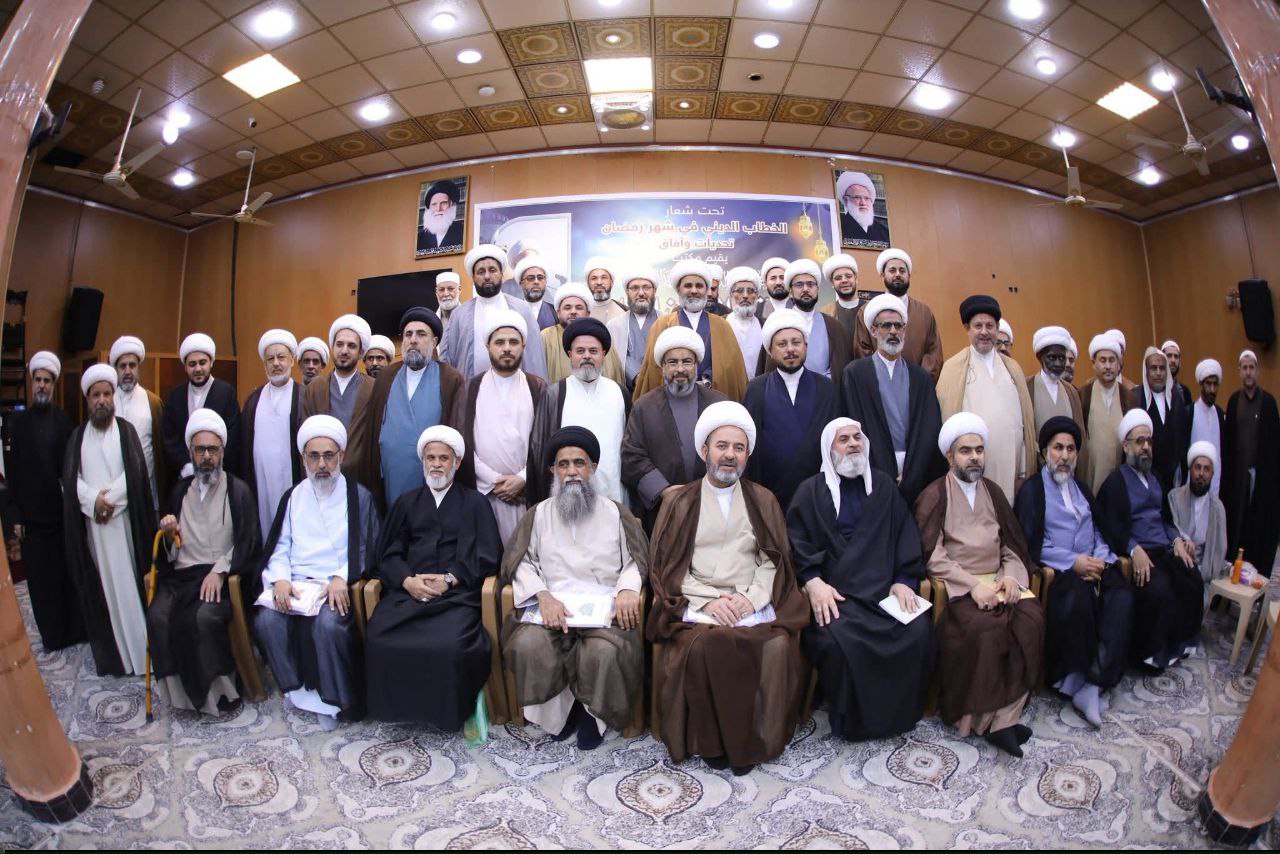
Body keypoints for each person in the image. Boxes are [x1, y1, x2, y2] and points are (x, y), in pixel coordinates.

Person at [647, 402, 808, 773]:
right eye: (722, 446)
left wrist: (749, 600)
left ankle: (756, 738)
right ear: (705, 450)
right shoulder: (680, 501)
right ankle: (712, 743)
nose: (730, 455)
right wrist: (708, 602)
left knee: (778, 645)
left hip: (750, 601)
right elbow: (668, 566)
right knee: (707, 645)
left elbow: (775, 561)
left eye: (738, 448)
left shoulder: (763, 499)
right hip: (696, 603)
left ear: (747, 455)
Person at [787, 417, 935, 741]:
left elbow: (905, 536)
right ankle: (854, 723)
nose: (853, 444)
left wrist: (903, 579)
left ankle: (898, 715)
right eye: (844, 439)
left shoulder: (884, 487)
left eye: (857, 438)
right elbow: (796, 543)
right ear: (829, 449)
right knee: (838, 642)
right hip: (836, 596)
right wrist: (813, 582)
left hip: (883, 593)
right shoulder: (810, 492)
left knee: (918, 631)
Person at [501, 426, 647, 749]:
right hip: (553, 609)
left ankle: (593, 715)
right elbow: (520, 562)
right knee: (528, 643)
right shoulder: (538, 515)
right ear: (553, 470)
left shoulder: (616, 513)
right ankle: (560, 715)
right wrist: (542, 596)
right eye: (563, 464)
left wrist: (627, 590)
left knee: (604, 650)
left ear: (592, 467)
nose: (571, 472)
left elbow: (636, 561)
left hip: (603, 611)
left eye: (579, 463)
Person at [915, 412, 1044, 758]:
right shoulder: (935, 495)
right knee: (985, 630)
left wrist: (1011, 577)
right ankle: (984, 720)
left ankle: (1003, 719)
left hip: (1000, 582)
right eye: (965, 451)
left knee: (1030, 621)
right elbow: (932, 555)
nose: (974, 457)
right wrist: (972, 586)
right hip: (960, 588)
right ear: (950, 456)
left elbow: (1011, 546)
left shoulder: (994, 492)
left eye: (979, 450)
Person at [365, 425, 500, 729]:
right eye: (430, 458)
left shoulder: (475, 503)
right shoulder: (406, 503)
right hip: (407, 595)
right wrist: (407, 581)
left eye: (443, 458)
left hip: (456, 597)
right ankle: (398, 711)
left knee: (450, 645)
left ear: (457, 463)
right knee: (379, 637)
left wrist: (450, 579)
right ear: (423, 462)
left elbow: (489, 556)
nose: (436, 464)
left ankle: (445, 714)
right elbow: (388, 554)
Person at [253, 415, 381, 729]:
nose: (322, 464)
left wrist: (342, 577)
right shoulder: (293, 496)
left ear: (341, 456)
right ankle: (297, 692)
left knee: (329, 625)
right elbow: (280, 544)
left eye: (328, 455)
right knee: (267, 620)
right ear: (304, 459)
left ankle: (334, 702)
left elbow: (366, 547)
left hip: (333, 585)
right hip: (297, 583)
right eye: (314, 456)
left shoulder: (358, 496)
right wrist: (280, 579)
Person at [1013, 416, 1132, 728]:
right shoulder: (1034, 490)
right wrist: (1075, 562)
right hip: (1060, 573)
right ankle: (1074, 683)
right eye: (1057, 448)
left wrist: (1100, 561)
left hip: (1093, 566)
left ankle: (1096, 680)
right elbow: (1032, 544)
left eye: (1070, 449)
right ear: (1045, 452)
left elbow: (1098, 531)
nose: (1064, 456)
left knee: (1121, 595)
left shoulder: (1081, 488)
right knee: (1077, 598)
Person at [150, 409, 260, 716]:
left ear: (222, 451)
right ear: (191, 452)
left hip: (218, 577)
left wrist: (221, 570)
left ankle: (220, 696)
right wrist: (169, 535)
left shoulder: (238, 491)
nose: (207, 457)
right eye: (200, 450)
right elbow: (170, 551)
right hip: (182, 577)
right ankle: (181, 698)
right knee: (158, 616)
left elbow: (249, 542)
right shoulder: (179, 491)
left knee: (202, 618)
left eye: (213, 449)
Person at [63, 364, 156, 677]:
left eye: (106, 394)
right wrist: (93, 501)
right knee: (106, 592)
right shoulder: (78, 437)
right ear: (88, 399)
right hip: (97, 529)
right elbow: (71, 480)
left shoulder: (125, 431)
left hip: (123, 525)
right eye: (96, 395)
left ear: (113, 396)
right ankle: (117, 657)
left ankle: (142, 655)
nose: (102, 400)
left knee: (130, 589)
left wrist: (109, 501)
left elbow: (136, 473)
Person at [1096, 410, 1203, 669]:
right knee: (1159, 589)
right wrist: (1133, 549)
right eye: (1139, 441)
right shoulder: (1115, 483)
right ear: (1126, 446)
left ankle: (1178, 644)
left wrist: (1177, 541)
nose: (1145, 447)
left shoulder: (1156, 479)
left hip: (1164, 549)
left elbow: (1166, 520)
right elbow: (1110, 527)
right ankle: (1149, 655)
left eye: (1149, 441)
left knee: (1192, 577)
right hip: (1141, 553)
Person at [9, 352, 84, 650]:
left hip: (59, 517)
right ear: (32, 383)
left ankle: (72, 631)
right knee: (41, 582)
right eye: (38, 380)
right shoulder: (18, 423)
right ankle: (53, 637)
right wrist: (15, 517)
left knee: (65, 576)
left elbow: (70, 470)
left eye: (47, 381)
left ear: (53, 385)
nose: (41, 385)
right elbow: (12, 474)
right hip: (31, 521)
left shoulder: (63, 422)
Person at [840, 294, 944, 506]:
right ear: (873, 330)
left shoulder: (920, 378)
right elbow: (854, 425)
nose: (893, 331)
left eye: (899, 326)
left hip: (916, 471)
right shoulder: (855, 374)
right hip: (873, 471)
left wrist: (912, 472)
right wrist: (882, 472)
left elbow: (929, 429)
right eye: (886, 325)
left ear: (905, 331)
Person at [452, 309, 546, 542]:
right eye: (499, 342)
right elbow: (461, 442)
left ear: (523, 346)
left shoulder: (538, 387)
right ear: (488, 346)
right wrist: (495, 482)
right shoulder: (470, 388)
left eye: (513, 342)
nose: (506, 348)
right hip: (484, 494)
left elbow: (547, 439)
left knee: (526, 554)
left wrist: (523, 478)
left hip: (527, 494)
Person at [622, 327, 727, 530]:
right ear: (662, 367)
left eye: (687, 362)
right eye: (672, 362)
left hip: (712, 504)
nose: (680, 369)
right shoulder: (644, 407)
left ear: (696, 365)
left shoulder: (719, 404)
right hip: (663, 508)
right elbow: (631, 455)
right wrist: (663, 490)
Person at [358, 307, 464, 509]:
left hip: (433, 479)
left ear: (434, 342)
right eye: (408, 334)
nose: (413, 340)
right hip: (389, 479)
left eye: (421, 334)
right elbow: (372, 430)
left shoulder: (450, 379)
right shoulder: (386, 377)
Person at [936, 295, 1035, 502]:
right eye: (978, 326)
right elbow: (946, 423)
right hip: (972, 469)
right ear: (967, 328)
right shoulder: (952, 368)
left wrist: (1024, 470)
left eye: (990, 326)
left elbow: (1026, 423)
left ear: (997, 328)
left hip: (1012, 469)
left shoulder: (1013, 368)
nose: (984, 332)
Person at [744, 309, 839, 510]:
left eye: (796, 342)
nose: (790, 349)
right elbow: (750, 447)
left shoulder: (826, 388)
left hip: (816, 495)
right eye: (782, 344)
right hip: (769, 495)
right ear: (770, 350)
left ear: (806, 346)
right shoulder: (756, 388)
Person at [528, 318, 629, 503]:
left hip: (614, 494)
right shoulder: (555, 394)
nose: (587, 356)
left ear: (604, 354)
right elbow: (540, 450)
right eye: (580, 351)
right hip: (567, 497)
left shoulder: (619, 393)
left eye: (593, 351)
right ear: (570, 354)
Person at [631, 259, 748, 402]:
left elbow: (731, 370)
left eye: (699, 286)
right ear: (678, 289)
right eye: (688, 286)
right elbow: (653, 372)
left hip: (713, 400)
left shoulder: (722, 326)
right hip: (672, 400)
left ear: (706, 290)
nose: (694, 290)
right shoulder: (662, 325)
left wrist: (707, 379)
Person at [440, 245, 548, 381]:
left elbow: (535, 359)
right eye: (481, 272)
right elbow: (448, 362)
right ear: (473, 277)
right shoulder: (459, 315)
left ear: (501, 274)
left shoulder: (521, 309)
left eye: (492, 270)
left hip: (516, 390)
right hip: (470, 390)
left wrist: (537, 391)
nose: (487, 276)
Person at [1222, 349, 1280, 576]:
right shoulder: (1234, 401)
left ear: (1258, 371)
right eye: (1244, 368)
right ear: (1239, 371)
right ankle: (1236, 572)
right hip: (1238, 479)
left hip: (1262, 479)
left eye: (1251, 368)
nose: (1248, 372)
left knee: (1259, 524)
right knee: (1238, 524)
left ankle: (1259, 572)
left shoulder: (1269, 403)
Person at [242, 329, 304, 534]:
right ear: (265, 364)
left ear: (292, 360)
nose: (276, 363)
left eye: (281, 357)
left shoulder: (304, 396)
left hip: (292, 477)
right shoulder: (253, 399)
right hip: (261, 477)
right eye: (270, 359)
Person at [757, 259, 850, 388]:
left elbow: (841, 370)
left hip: (825, 395)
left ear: (817, 289)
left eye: (810, 284)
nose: (805, 289)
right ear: (790, 290)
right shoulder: (777, 324)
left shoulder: (833, 326)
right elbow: (768, 370)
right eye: (799, 285)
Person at [852, 249, 943, 381]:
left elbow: (933, 352)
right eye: (892, 270)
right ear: (882, 275)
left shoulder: (924, 312)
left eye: (902, 270)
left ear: (909, 275)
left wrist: (919, 383)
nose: (898, 274)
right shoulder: (866, 312)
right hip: (880, 386)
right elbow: (862, 352)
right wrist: (883, 383)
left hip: (917, 386)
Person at [162, 332, 241, 478]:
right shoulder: (175, 396)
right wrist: (186, 465)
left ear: (211, 362)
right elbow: (170, 438)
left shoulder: (226, 393)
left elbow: (232, 436)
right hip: (185, 476)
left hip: (218, 473)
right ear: (185, 367)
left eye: (202, 362)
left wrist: (212, 463)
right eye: (192, 364)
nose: (198, 369)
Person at [110, 335, 165, 506]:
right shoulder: (106, 402)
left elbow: (160, 451)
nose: (127, 371)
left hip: (146, 492)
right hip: (113, 493)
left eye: (132, 365)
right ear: (116, 369)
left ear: (138, 368)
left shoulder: (153, 402)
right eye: (122, 366)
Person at [1080, 331, 1135, 494]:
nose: (1108, 366)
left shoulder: (1129, 398)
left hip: (1120, 479)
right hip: (1090, 477)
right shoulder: (1083, 395)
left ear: (1119, 364)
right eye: (1102, 360)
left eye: (1112, 360)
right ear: (1094, 363)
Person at [1027, 326, 1088, 472]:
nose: (1058, 364)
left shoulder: (1071, 392)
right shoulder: (1027, 388)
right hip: (1037, 470)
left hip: (1067, 469)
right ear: (1040, 357)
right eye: (1052, 358)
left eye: (1062, 358)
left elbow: (1080, 436)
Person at [541, 282, 626, 385]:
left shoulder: (600, 336)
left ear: (588, 313)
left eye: (579, 307)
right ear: (558, 312)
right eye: (567, 307)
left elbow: (614, 376)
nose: (573, 311)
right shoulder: (545, 337)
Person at [302, 314, 373, 432]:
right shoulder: (314, 388)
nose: (344, 351)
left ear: (361, 352)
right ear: (332, 347)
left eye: (351, 346)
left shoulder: (373, 388)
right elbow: (307, 431)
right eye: (339, 344)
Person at [1133, 346, 1190, 494]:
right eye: (1153, 368)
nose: (1158, 373)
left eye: (1162, 368)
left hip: (1173, 480)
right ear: (1146, 371)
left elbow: (1183, 439)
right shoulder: (1135, 398)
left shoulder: (1176, 399)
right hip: (1145, 477)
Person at [1169, 441, 1228, 581]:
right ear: (1190, 470)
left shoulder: (1217, 508)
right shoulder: (1174, 497)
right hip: (1175, 568)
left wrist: (1205, 576)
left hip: (1203, 576)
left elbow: (1219, 551)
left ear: (1212, 474)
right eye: (1197, 467)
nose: (1201, 473)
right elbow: (1170, 529)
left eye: (1206, 469)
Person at [606, 269, 660, 390]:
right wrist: (636, 375)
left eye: (646, 287)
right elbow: (613, 358)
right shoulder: (614, 325)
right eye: (635, 288)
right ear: (627, 291)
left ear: (654, 290)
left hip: (660, 389)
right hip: (627, 391)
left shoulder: (667, 321)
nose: (641, 293)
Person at [1189, 358, 1224, 495]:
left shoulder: (1219, 413)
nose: (1212, 389)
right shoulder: (1190, 412)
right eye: (1208, 384)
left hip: (1215, 483)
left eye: (1215, 384)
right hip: (1192, 482)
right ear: (1201, 384)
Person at [723, 266, 763, 381]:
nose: (745, 296)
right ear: (731, 295)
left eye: (750, 291)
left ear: (757, 296)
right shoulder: (719, 324)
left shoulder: (766, 325)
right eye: (739, 291)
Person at [836, 170, 890, 245]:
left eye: (867, 198)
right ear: (846, 200)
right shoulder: (837, 228)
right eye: (857, 197)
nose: (863, 203)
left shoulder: (883, 231)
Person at [416, 179, 464, 255]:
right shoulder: (420, 238)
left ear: (452, 205)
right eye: (434, 204)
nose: (438, 209)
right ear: (429, 208)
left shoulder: (462, 232)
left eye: (443, 203)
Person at [820, 253, 861, 341]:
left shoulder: (869, 309)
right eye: (838, 278)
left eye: (848, 276)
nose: (844, 280)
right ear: (832, 283)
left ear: (856, 278)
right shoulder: (825, 314)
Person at [514, 254, 557, 331]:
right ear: (521, 284)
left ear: (545, 282)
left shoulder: (555, 312)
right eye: (530, 278)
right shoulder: (512, 311)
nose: (536, 282)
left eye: (540, 278)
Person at [584, 257, 627, 324]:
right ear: (587, 283)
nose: (599, 282)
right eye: (594, 278)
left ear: (612, 282)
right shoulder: (580, 311)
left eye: (604, 278)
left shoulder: (625, 311)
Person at [434, 271, 461, 357]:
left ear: (459, 290)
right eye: (441, 290)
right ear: (436, 292)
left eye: (450, 289)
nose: (446, 294)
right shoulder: (432, 321)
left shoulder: (470, 318)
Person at [1162, 339, 1193, 408]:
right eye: (1169, 356)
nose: (1173, 360)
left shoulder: (1185, 392)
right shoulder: (1155, 389)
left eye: (1176, 356)